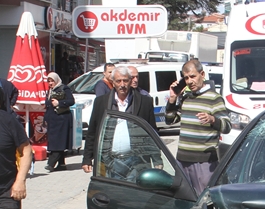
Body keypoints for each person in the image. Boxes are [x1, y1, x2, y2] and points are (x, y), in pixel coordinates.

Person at [165, 59, 231, 195]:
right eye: (186, 78)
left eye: (193, 76)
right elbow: (170, 120)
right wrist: (172, 99)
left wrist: (213, 120)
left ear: (202, 74)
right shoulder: (185, 98)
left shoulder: (214, 98)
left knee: (204, 199)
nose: (189, 81)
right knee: (184, 198)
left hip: (204, 162)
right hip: (182, 160)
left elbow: (227, 126)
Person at [82, 65, 157, 173]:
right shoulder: (101, 102)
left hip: (137, 162)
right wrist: (87, 159)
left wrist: (156, 158)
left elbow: (152, 132)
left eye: (125, 81)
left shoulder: (145, 102)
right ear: (112, 82)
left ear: (131, 81)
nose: (122, 85)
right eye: (118, 81)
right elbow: (92, 132)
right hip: (109, 162)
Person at [42, 72, 75, 171]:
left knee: (58, 142)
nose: (50, 83)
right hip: (53, 120)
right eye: (49, 81)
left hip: (61, 120)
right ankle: (62, 164)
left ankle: (51, 164)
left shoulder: (64, 88)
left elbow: (71, 101)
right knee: (57, 141)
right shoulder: (50, 91)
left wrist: (59, 103)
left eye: (52, 81)